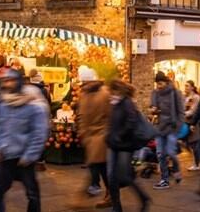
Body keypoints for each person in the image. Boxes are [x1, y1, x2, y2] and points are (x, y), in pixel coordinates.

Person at [0, 68, 48, 212]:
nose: (8, 84)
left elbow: (39, 133)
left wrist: (29, 156)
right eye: (5, 81)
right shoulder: (2, 106)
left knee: (32, 195)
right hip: (6, 157)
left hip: (24, 159)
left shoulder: (33, 108)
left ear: (18, 82)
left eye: (11, 80)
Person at [105, 79, 150, 212]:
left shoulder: (127, 103)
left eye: (111, 91)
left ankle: (144, 198)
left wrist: (119, 134)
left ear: (117, 90)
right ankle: (116, 207)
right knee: (111, 176)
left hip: (125, 145)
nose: (109, 93)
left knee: (124, 176)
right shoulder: (115, 103)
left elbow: (131, 122)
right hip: (114, 144)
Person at [75, 66, 111, 207]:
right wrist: (83, 132)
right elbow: (82, 116)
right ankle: (109, 194)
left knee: (97, 167)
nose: (84, 85)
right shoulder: (85, 94)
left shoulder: (104, 93)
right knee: (99, 168)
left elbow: (110, 116)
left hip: (101, 137)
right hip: (91, 137)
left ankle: (84, 197)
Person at [149, 72, 184, 189]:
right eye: (157, 84)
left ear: (166, 82)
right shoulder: (155, 93)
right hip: (159, 127)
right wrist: (153, 110)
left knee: (170, 152)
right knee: (160, 154)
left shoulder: (175, 93)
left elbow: (181, 111)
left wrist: (178, 126)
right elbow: (152, 108)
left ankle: (176, 169)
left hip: (171, 127)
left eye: (160, 83)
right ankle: (164, 180)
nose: (158, 86)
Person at [183, 81, 200, 171]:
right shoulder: (185, 97)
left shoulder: (196, 97)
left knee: (194, 143)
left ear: (192, 87)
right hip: (185, 122)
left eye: (187, 86)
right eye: (185, 86)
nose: (185, 88)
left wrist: (182, 114)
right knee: (187, 143)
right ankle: (196, 160)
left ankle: (196, 164)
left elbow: (193, 111)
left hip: (193, 123)